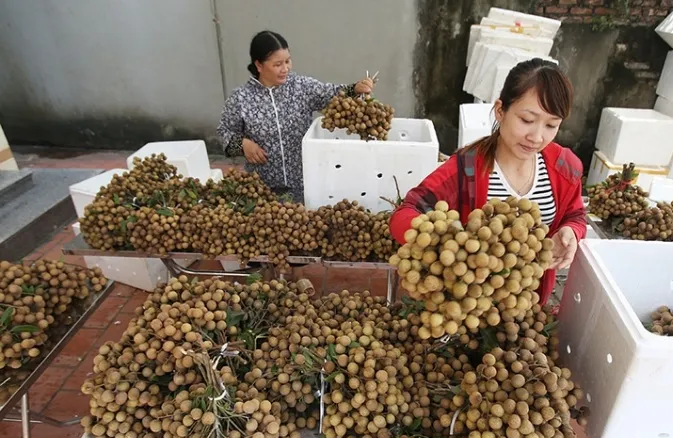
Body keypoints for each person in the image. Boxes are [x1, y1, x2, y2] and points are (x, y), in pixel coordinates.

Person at [388, 58, 587, 306]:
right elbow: (404, 214)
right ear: (500, 110)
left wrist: (571, 233)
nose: (536, 137)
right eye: (526, 120)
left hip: (527, 313)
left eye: (551, 125)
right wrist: (445, 243)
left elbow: (576, 215)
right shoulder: (466, 168)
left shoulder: (564, 167)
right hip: (467, 310)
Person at [217, 30, 375, 201]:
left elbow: (332, 93)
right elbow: (225, 131)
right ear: (259, 65)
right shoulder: (241, 97)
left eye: (288, 61)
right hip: (261, 189)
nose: (285, 69)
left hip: (304, 184)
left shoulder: (300, 87)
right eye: (277, 64)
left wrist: (355, 88)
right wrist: (243, 144)